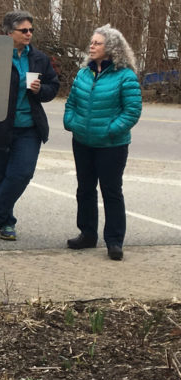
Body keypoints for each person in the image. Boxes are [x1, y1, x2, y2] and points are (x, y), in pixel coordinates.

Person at [63, 24, 142, 261]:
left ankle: (114, 241)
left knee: (111, 191)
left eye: (97, 43)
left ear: (111, 48)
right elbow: (71, 104)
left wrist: (110, 130)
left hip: (112, 145)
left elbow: (132, 111)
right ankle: (87, 234)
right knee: (84, 189)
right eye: (92, 42)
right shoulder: (83, 73)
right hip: (83, 142)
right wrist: (71, 122)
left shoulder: (125, 76)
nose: (92, 46)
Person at [0, 10, 60, 242]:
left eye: (31, 30)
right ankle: (7, 223)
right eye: (23, 30)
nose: (28, 34)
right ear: (8, 33)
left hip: (29, 127)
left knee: (21, 173)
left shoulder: (39, 59)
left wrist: (40, 90)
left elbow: (52, 87)